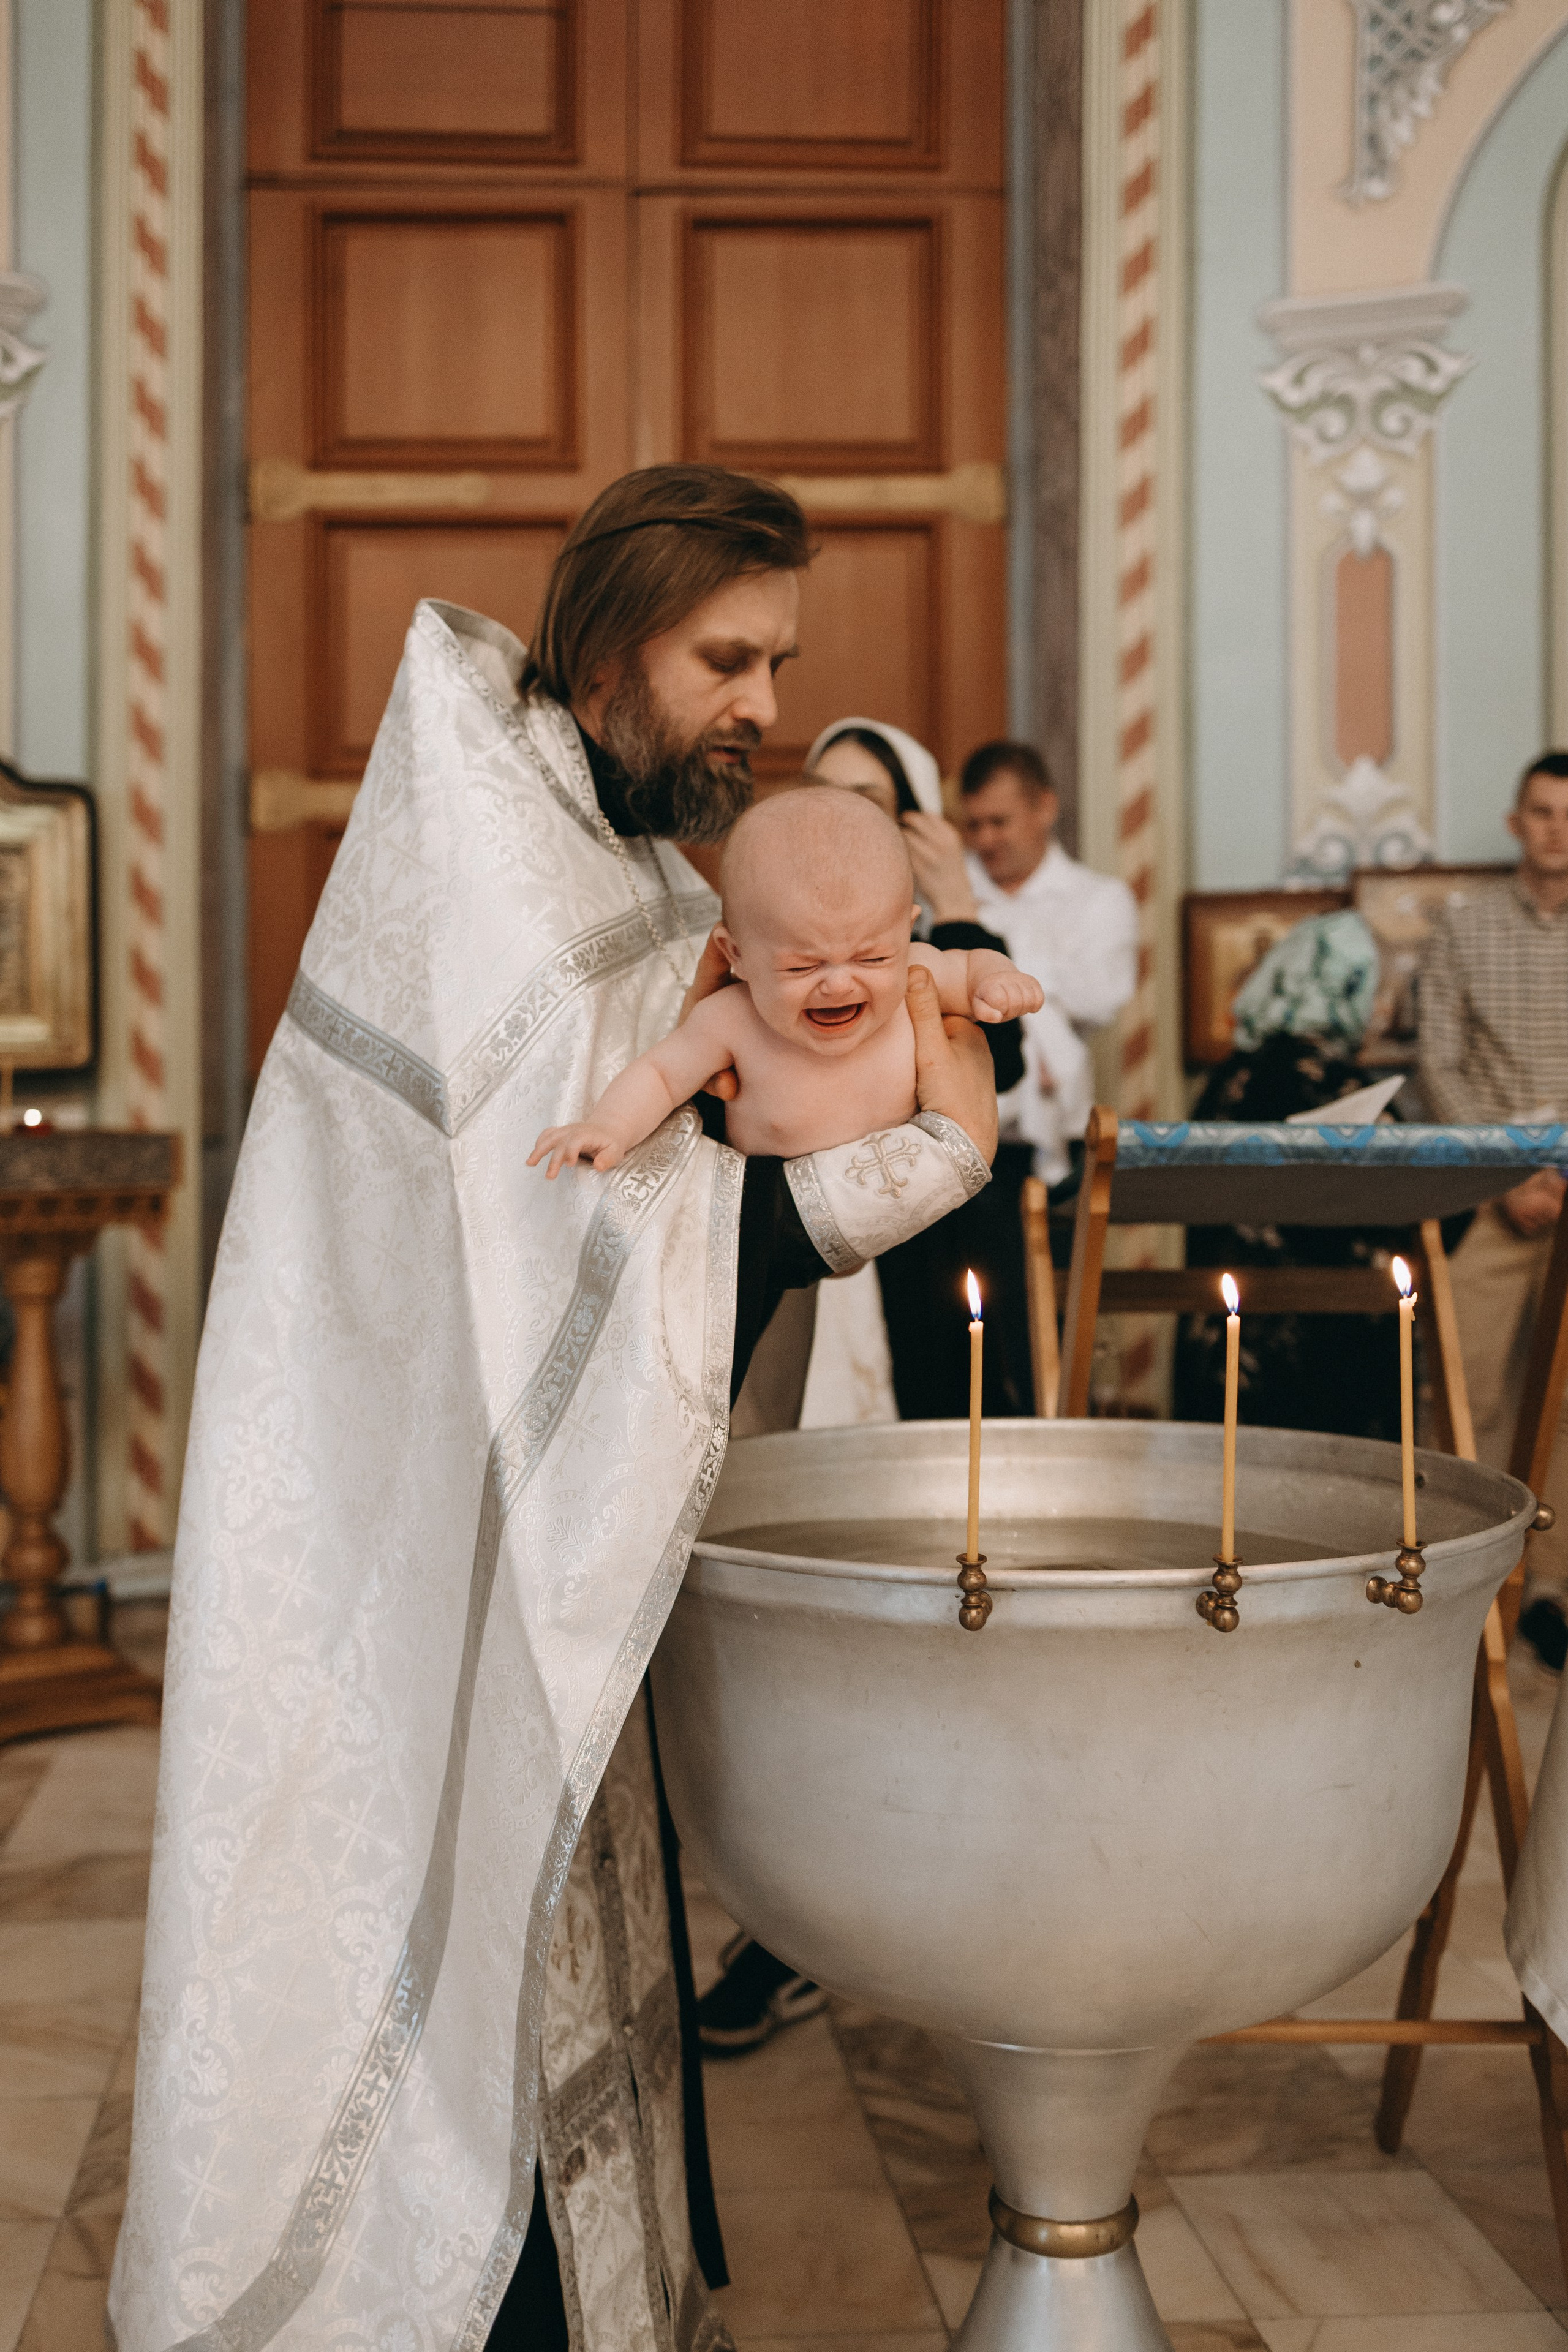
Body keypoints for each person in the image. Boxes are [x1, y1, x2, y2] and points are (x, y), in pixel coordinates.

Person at [110, 466, 1003, 2352]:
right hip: (412, 1512)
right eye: (728, 657)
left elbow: (675, 1158)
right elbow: (603, 1224)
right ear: (610, 646)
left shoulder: (618, 840)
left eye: (779, 659)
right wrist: (910, 1170)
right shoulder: (496, 859)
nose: (765, 702)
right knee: (432, 1929)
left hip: (535, 1489)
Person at [531, 790, 1041, 1173]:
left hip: (897, 1194)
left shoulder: (914, 973)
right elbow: (662, 1076)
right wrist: (610, 1127)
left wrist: (1000, 981)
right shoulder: (730, 1019)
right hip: (776, 1207)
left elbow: (974, 965)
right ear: (737, 956)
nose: (839, 985)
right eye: (802, 967)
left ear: (907, 932)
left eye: (871, 958)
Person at [1418, 750, 1568, 1663]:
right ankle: (1455, 1586)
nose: (1559, 828)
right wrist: (1508, 1173)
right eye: (1543, 811)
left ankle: (1551, 1590)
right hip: (1498, 1187)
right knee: (1463, 1385)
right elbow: (1439, 1060)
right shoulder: (1464, 928)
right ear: (1516, 823)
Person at [1170, 909, 1403, 1441]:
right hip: (1324, 1363)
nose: (1384, 1011)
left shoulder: (1226, 1081)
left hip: (1222, 1351)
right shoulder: (1347, 1089)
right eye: (1381, 994)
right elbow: (1424, 1212)